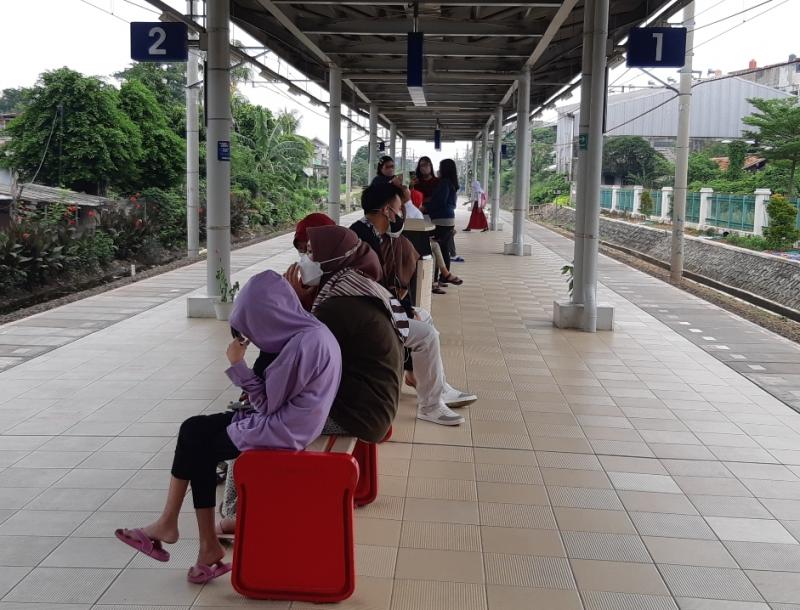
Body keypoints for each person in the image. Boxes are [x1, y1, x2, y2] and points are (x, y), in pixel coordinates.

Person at [115, 271, 341, 583]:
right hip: (288, 423)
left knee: (200, 450)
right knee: (192, 429)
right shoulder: (312, 332)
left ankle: (196, 540)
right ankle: (174, 526)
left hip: (280, 431)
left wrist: (238, 364)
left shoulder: (303, 346)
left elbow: (266, 404)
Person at [351, 183, 477, 425]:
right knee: (426, 335)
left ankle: (437, 389)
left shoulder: (373, 234)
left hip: (373, 308)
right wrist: (404, 312)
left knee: (424, 318)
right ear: (387, 210)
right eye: (399, 209)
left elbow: (390, 284)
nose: (401, 215)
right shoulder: (364, 240)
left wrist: (407, 311)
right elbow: (379, 287)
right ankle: (430, 406)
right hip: (365, 316)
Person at [423, 159, 462, 277]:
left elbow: (440, 201)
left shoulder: (444, 183)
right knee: (444, 248)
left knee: (435, 247)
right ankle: (444, 278)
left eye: (440, 167)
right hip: (449, 219)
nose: (438, 170)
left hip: (441, 219)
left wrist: (426, 207)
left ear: (445, 169)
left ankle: (436, 278)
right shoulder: (452, 183)